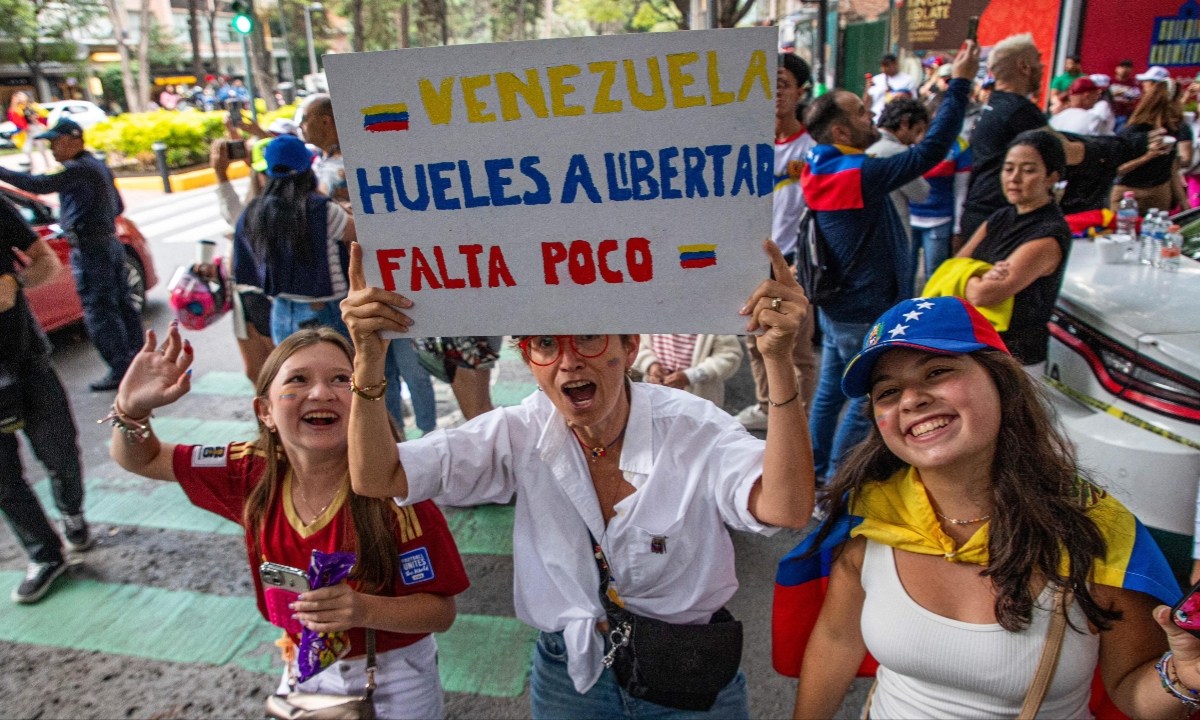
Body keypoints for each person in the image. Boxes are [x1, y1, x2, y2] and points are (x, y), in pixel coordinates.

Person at [340, 238, 816, 719]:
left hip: (686, 670)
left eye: (589, 336)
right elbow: (379, 476)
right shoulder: (519, 431)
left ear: (630, 347)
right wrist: (368, 359)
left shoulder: (696, 427)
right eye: (546, 343)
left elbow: (787, 507)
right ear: (528, 360)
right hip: (571, 676)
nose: (569, 362)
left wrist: (778, 362)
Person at [788, 295, 1195, 720]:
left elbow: (1131, 690)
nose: (910, 400)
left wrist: (1185, 677)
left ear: (1002, 382)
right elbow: (837, 638)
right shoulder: (871, 512)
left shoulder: (1092, 529)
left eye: (938, 371)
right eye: (888, 391)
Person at [107, 324, 469, 719]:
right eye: (298, 379)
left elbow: (440, 612)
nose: (320, 393)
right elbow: (143, 458)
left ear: (366, 401)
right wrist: (131, 409)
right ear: (265, 411)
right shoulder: (248, 469)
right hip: (301, 664)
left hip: (394, 675)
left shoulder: (397, 492)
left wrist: (363, 610)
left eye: (341, 380)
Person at [800, 40, 978, 484]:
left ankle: (813, 470)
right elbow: (930, 152)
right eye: (861, 112)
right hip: (864, 312)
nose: (872, 117)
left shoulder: (822, 167)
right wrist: (960, 84)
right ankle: (836, 487)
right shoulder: (857, 174)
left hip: (839, 307)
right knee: (865, 405)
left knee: (828, 394)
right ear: (839, 132)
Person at [297, 93, 439, 433]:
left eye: (306, 120)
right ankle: (392, 436)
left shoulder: (359, 162)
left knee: (412, 368)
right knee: (378, 369)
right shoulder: (320, 162)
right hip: (355, 290)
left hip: (391, 281)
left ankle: (428, 435)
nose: (302, 128)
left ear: (327, 121)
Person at [0, 119, 142, 392]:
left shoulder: (77, 170)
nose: (52, 149)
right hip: (107, 243)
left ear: (75, 141)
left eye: (56, 142)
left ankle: (121, 369)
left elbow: (36, 184)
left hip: (91, 249)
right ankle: (135, 361)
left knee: (100, 309)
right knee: (121, 304)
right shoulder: (96, 166)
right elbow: (118, 205)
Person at [0, 193, 90, 604]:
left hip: (25, 360)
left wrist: (15, 283)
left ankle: (71, 511)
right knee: (3, 479)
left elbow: (46, 262)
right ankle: (44, 554)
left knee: (60, 454)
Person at [735, 53, 818, 430]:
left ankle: (798, 419)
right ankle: (767, 406)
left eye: (782, 84)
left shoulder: (813, 148)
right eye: (766, 84)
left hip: (794, 261)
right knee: (754, 338)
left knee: (797, 346)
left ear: (801, 91)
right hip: (752, 260)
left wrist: (805, 263)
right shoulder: (745, 145)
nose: (773, 93)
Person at [955, 130, 1072, 374]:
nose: (1014, 178)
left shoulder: (1048, 234)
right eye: (1008, 169)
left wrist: (969, 278)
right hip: (977, 346)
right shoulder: (1001, 216)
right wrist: (982, 273)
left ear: (1051, 177)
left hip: (1017, 360)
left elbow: (984, 295)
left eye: (1028, 170)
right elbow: (953, 264)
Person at [233, 133, 356, 345]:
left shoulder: (253, 211)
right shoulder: (322, 209)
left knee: (293, 374)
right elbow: (355, 233)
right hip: (325, 311)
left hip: (281, 312)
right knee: (340, 375)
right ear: (308, 168)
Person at [960, 34, 1061, 240]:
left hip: (979, 209)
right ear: (1024, 66)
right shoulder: (1021, 111)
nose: (1042, 68)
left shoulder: (992, 104)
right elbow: (1061, 150)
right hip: (999, 213)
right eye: (1038, 61)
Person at [210, 135, 276, 383]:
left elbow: (237, 218)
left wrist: (220, 175)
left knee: (277, 371)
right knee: (257, 373)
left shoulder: (285, 205)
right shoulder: (256, 199)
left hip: (269, 298)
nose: (270, 178)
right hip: (246, 296)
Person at [909, 101, 972, 283]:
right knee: (904, 274)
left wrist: (957, 229)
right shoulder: (911, 140)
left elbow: (961, 190)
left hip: (940, 220)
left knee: (934, 276)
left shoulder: (960, 146)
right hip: (908, 218)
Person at [1113, 71, 1193, 213]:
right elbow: (1116, 169)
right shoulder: (1135, 130)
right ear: (1168, 103)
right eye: (1179, 99)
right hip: (1129, 195)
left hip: (1159, 194)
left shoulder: (1172, 129)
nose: (1182, 104)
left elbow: (1172, 169)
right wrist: (1148, 156)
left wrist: (1184, 203)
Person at [868, 97, 931, 245]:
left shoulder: (864, 144)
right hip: (892, 237)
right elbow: (921, 193)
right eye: (918, 131)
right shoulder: (899, 153)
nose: (918, 140)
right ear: (904, 123)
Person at [633, 333, 744, 407]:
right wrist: (650, 365)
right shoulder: (650, 314)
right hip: (655, 396)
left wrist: (692, 376)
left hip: (700, 399)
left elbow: (729, 355)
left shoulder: (711, 316)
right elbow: (637, 344)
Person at [864, 54, 917, 123]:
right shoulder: (876, 80)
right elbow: (867, 102)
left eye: (887, 65)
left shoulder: (908, 80)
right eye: (882, 66)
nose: (884, 69)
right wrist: (867, 89)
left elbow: (914, 101)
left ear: (895, 64)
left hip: (896, 119)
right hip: (876, 119)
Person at [7, 92, 50, 172]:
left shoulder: (33, 106)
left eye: (21, 95)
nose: (19, 98)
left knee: (41, 149)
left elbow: (45, 115)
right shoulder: (17, 108)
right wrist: (14, 102)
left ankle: (48, 166)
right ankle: (32, 167)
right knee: (26, 149)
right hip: (26, 132)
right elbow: (13, 116)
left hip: (36, 129)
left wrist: (40, 122)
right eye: (17, 96)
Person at [1111, 60, 1142, 130]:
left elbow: (1137, 98)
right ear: (1117, 69)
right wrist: (1115, 94)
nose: (1124, 69)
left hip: (1124, 115)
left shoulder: (1134, 84)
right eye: (1122, 67)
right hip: (1110, 114)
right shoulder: (1110, 82)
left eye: (1128, 67)